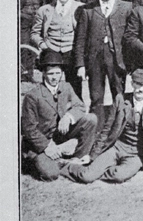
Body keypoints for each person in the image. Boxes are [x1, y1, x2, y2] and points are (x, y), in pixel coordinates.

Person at [63, 69, 143, 184]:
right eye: (137, 84)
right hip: (117, 148)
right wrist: (93, 156)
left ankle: (99, 172)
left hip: (138, 154)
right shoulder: (121, 99)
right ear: (132, 83)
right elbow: (107, 130)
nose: (140, 89)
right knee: (87, 176)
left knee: (119, 176)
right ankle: (66, 166)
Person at [21, 51, 97, 181]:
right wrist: (47, 146)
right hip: (41, 142)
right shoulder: (32, 96)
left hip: (59, 135)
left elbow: (80, 106)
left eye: (58, 73)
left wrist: (68, 117)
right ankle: (50, 160)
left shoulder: (66, 86)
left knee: (91, 119)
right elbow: (28, 129)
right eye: (50, 73)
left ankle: (77, 158)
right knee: (51, 174)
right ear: (43, 73)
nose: (54, 77)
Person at [73, 0, 132, 131]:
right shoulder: (88, 10)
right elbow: (79, 40)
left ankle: (119, 129)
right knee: (96, 96)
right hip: (95, 60)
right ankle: (96, 130)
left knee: (119, 95)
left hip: (117, 59)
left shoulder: (126, 7)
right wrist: (80, 65)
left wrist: (131, 62)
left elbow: (130, 38)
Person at [31, 0, 84, 98]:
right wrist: (42, 44)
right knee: (50, 85)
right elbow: (34, 33)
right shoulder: (45, 10)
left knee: (75, 86)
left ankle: (76, 111)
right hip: (51, 50)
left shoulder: (81, 8)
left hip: (71, 51)